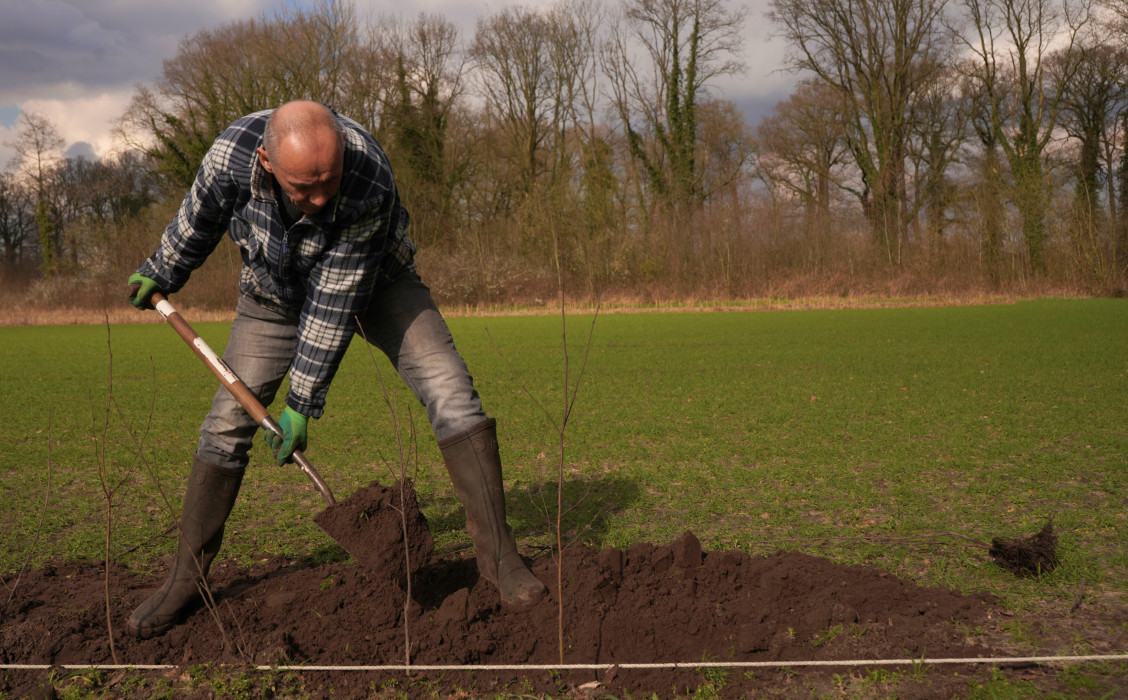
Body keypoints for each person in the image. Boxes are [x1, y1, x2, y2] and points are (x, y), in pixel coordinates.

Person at [125, 100, 545, 639]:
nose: (321, 197)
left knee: (452, 391)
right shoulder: (230, 154)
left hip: (380, 285)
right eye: (305, 187)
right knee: (227, 421)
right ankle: (185, 579)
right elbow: (201, 215)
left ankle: (500, 559)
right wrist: (162, 269)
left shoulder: (367, 172)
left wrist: (300, 403)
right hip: (271, 297)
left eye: (329, 181)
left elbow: (334, 300)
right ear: (267, 162)